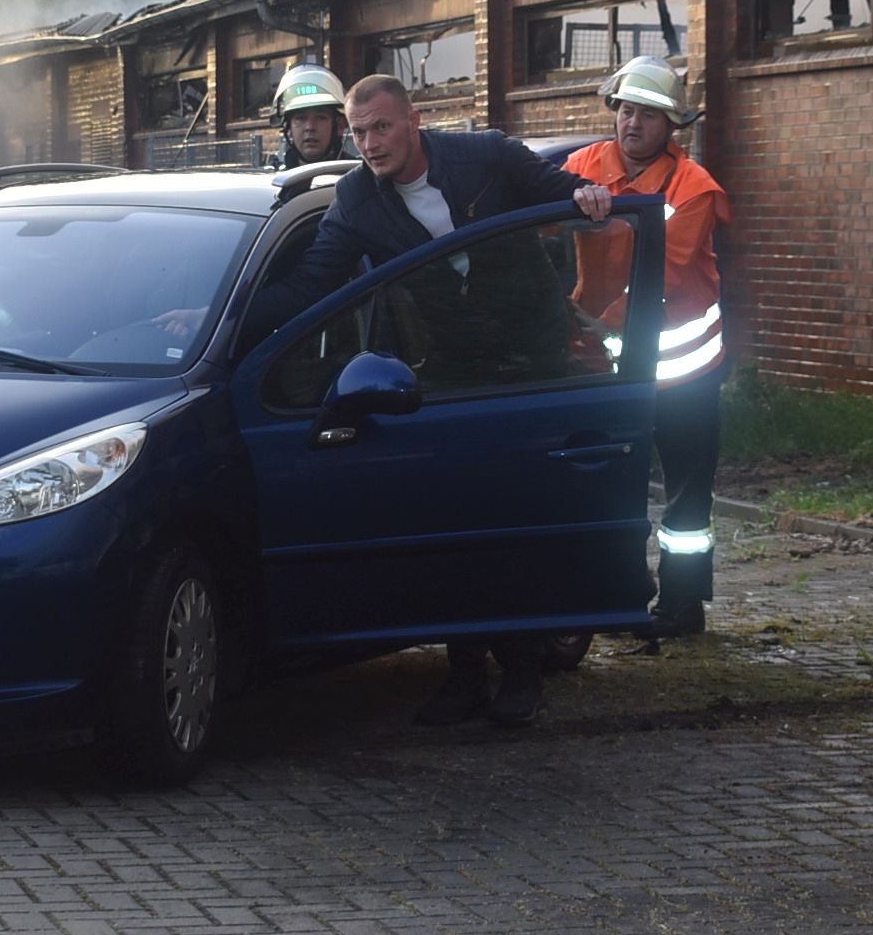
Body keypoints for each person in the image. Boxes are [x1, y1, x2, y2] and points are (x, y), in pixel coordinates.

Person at [248, 75, 615, 729]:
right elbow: (312, 284)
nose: (369, 144)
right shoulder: (358, 199)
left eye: (381, 128)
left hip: (532, 365)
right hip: (451, 374)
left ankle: (526, 671)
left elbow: (565, 196)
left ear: (414, 121)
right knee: (460, 519)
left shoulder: (489, 157)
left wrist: (588, 196)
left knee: (519, 520)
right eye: (359, 133)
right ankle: (466, 675)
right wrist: (223, 318)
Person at [564, 57, 733, 635]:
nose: (632, 124)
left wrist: (588, 322)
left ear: (671, 126)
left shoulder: (694, 189)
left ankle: (681, 607)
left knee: (686, 495)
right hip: (608, 364)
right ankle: (620, 599)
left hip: (685, 369)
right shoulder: (581, 167)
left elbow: (666, 274)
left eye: (648, 115)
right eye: (626, 110)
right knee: (612, 486)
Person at [269, 63, 351, 169]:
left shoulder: (361, 181)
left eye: (321, 118)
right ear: (288, 129)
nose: (310, 127)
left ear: (340, 126)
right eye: (300, 119)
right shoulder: (273, 181)